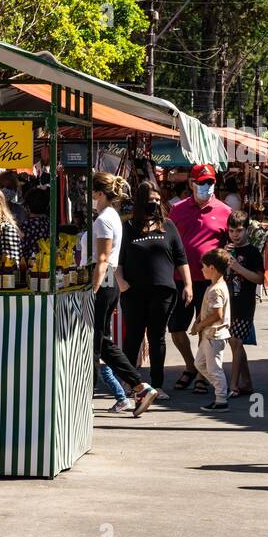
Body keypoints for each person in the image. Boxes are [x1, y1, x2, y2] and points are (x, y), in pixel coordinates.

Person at [91, 171, 160, 417]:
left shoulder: (103, 220)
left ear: (99, 193)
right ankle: (140, 386)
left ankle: (86, 394)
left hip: (104, 281)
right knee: (103, 342)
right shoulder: (111, 217)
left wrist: (93, 290)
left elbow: (101, 259)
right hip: (109, 282)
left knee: (95, 342)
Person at [118, 182, 190, 394]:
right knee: (133, 337)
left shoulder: (168, 225)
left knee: (157, 337)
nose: (155, 204)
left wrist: (188, 284)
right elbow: (118, 259)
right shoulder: (128, 227)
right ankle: (131, 383)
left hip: (163, 291)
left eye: (158, 200)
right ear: (141, 201)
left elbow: (180, 257)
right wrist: (121, 281)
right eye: (151, 200)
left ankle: (157, 385)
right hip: (133, 292)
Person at [168, 165, 231, 392]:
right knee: (176, 327)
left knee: (206, 328)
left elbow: (231, 243)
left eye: (210, 182)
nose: (206, 186)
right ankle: (190, 365)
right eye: (202, 182)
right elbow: (170, 241)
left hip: (210, 282)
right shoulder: (177, 210)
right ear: (191, 184)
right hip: (180, 279)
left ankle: (203, 373)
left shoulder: (224, 211)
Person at [224, 211, 263, 397]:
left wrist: (239, 268)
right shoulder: (227, 249)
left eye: (239, 230)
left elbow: (259, 278)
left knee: (236, 342)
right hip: (228, 302)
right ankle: (246, 382)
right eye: (231, 231)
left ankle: (233, 385)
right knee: (234, 343)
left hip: (245, 303)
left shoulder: (253, 252)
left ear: (246, 230)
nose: (235, 235)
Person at [189, 248, 233, 411]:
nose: (202, 269)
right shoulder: (214, 286)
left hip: (215, 335)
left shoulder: (216, 290)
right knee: (199, 364)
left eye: (204, 266)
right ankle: (221, 387)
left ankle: (221, 399)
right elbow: (207, 310)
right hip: (209, 335)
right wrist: (198, 322)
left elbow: (217, 315)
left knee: (214, 369)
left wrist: (199, 326)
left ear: (212, 268)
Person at [19, 185, 50, 261]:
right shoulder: (50, 224)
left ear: (28, 207)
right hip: (48, 264)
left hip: (30, 267)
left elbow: (19, 249)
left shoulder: (26, 225)